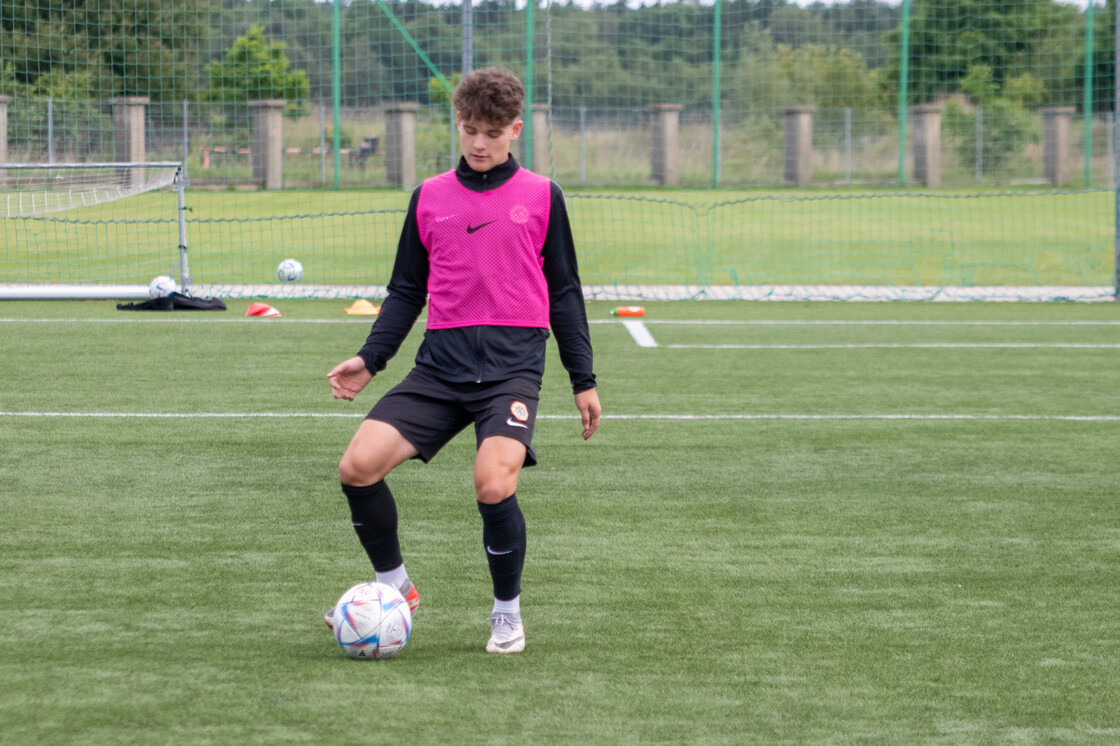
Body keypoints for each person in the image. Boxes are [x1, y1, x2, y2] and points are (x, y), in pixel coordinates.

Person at [325, 67, 601, 654]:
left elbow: (565, 291)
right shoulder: (428, 197)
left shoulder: (542, 195)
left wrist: (583, 378)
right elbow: (405, 290)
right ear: (458, 124)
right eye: (470, 130)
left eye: (493, 132)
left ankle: (507, 613)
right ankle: (396, 588)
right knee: (357, 467)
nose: (480, 144)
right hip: (440, 368)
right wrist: (370, 359)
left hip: (511, 370)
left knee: (492, 483)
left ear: (515, 130)